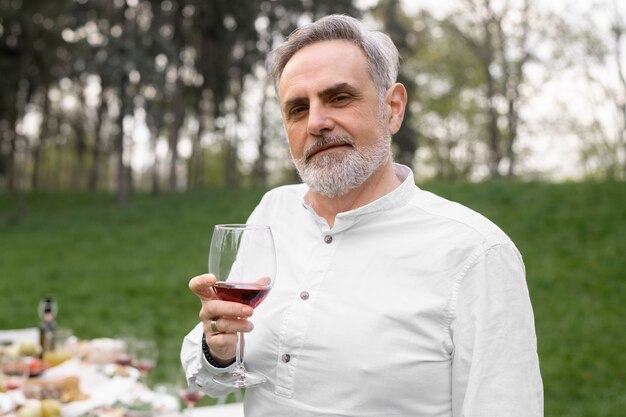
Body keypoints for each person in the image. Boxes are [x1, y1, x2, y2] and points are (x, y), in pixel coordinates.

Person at [181, 14, 543, 417]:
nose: (317, 122)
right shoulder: (273, 211)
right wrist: (219, 350)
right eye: (298, 109)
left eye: (339, 97)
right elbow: (211, 381)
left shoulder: (475, 253)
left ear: (392, 108)